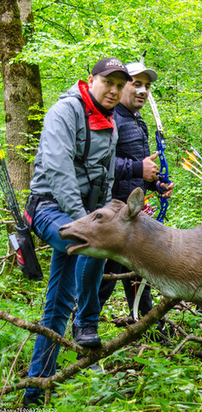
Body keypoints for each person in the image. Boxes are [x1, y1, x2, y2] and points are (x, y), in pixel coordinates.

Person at [23, 57, 132, 406]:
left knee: (55, 308)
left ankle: (33, 395)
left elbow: (106, 179)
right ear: (91, 80)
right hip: (50, 210)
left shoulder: (110, 123)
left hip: (82, 214)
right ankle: (87, 323)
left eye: (120, 85)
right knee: (98, 240)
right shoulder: (66, 111)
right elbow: (58, 169)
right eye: (108, 83)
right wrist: (88, 220)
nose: (114, 90)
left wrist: (102, 212)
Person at [97, 61, 174, 322]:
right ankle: (84, 327)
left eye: (147, 86)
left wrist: (155, 183)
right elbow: (101, 164)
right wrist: (138, 169)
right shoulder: (111, 117)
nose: (143, 91)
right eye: (136, 84)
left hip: (132, 211)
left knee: (138, 271)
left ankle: (148, 323)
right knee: (108, 273)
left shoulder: (136, 120)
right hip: (112, 211)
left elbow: (139, 166)